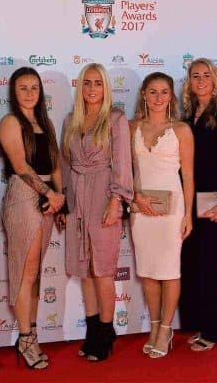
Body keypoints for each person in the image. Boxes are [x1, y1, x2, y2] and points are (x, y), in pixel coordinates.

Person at [61, 63, 133, 362]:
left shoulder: (115, 119)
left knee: (102, 270)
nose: (92, 89)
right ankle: (93, 330)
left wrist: (117, 202)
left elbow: (122, 163)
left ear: (106, 87)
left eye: (98, 83)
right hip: (77, 199)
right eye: (87, 83)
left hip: (104, 198)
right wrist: (64, 203)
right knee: (85, 271)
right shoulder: (70, 120)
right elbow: (65, 164)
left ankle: (106, 331)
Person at [0, 67, 65, 369]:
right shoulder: (11, 122)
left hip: (48, 199)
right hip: (24, 197)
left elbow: (56, 165)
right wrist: (48, 193)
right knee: (26, 270)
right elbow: (19, 164)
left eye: (34, 87)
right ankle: (25, 338)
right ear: (14, 92)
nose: (29, 93)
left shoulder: (46, 122)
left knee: (36, 272)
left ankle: (31, 333)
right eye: (22, 88)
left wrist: (59, 199)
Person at [129, 72, 194, 358]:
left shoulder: (181, 130)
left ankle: (166, 328)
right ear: (144, 94)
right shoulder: (131, 128)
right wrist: (134, 196)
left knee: (168, 270)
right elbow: (125, 171)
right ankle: (154, 326)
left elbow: (189, 176)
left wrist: (188, 214)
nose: (158, 98)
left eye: (164, 92)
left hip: (172, 209)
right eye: (152, 92)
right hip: (140, 208)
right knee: (148, 271)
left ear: (171, 96)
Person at [178, 58, 217, 352]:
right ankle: (201, 323)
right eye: (195, 76)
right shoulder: (189, 114)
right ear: (189, 82)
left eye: (206, 75)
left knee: (216, 267)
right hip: (192, 200)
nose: (200, 80)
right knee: (197, 265)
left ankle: (214, 331)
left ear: (215, 79)